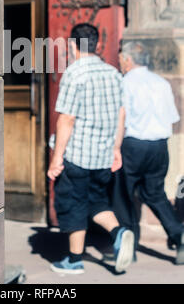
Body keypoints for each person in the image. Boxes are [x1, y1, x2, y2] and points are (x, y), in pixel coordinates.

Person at [47, 23, 134, 274]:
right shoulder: (113, 74)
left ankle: (74, 260)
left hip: (77, 155)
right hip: (103, 154)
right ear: (97, 45)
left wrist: (57, 158)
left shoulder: (75, 74)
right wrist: (116, 149)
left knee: (74, 205)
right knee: (96, 201)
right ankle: (119, 232)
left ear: (72, 46)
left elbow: (67, 119)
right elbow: (121, 114)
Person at [119, 41, 184, 264]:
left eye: (121, 58)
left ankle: (130, 245)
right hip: (159, 145)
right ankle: (177, 232)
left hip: (133, 145)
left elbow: (122, 117)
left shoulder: (125, 83)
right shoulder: (161, 83)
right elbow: (173, 118)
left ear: (128, 60)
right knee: (155, 192)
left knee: (124, 195)